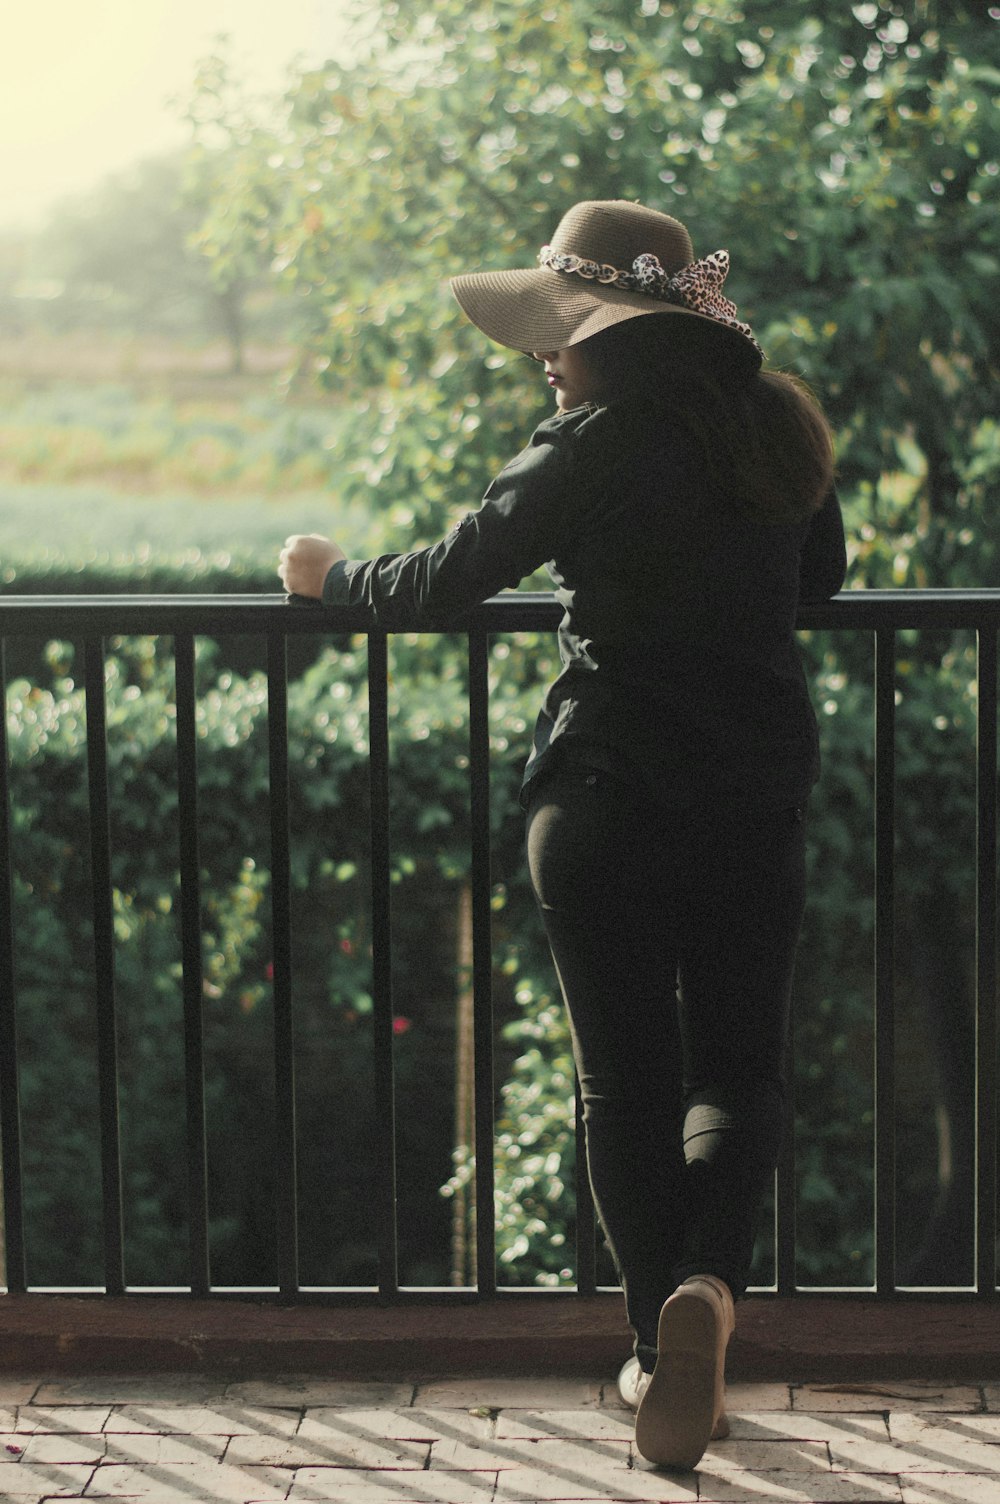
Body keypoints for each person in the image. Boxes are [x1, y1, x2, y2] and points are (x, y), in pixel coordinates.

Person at [278, 199, 847, 1470]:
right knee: (736, 1073)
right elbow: (822, 581)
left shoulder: (584, 446)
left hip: (601, 801)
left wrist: (328, 579)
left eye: (560, 331)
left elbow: (442, 580)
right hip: (752, 797)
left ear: (616, 338)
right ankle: (707, 1285)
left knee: (624, 1086)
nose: (546, 354)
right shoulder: (780, 428)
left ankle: (657, 1342)